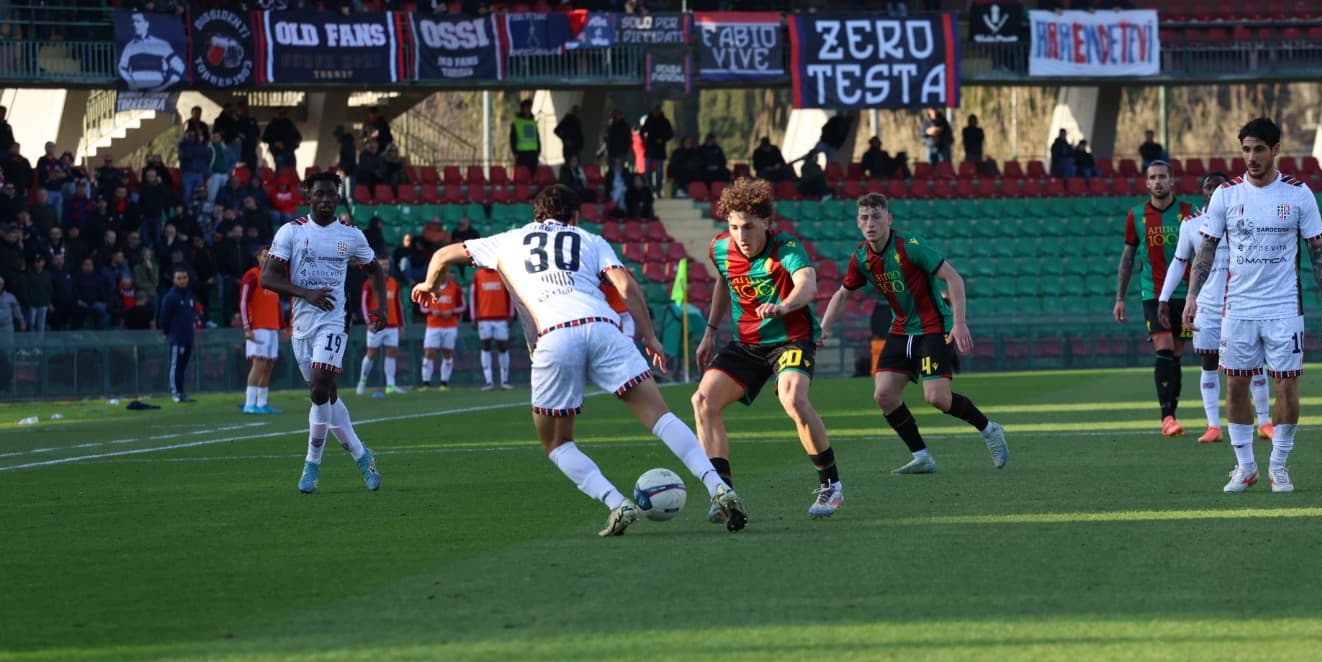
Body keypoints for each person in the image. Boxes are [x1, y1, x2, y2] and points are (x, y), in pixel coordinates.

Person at [411, 184, 746, 536]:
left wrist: (430, 286)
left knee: (556, 443)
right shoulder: (590, 239)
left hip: (555, 336)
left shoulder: (507, 240)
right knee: (661, 417)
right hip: (604, 328)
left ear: (536, 214)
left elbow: (443, 254)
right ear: (574, 216)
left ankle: (616, 502)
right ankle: (717, 485)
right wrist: (649, 337)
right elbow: (628, 288)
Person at [1185, 117, 1322, 495]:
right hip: (1237, 309)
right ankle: (1246, 467)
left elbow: (1318, 252)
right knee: (1235, 387)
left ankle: (1280, 466)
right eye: (1246, 150)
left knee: (1286, 389)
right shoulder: (1226, 195)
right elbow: (1205, 250)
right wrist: (1191, 296)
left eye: (1258, 150)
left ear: (1275, 151)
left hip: (1285, 308)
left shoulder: (1299, 194)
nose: (1251, 157)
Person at [819, 192, 1008, 475]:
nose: (870, 223)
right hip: (901, 329)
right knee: (883, 395)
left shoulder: (909, 245)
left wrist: (959, 323)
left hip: (934, 326)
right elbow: (843, 294)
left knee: (937, 398)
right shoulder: (861, 257)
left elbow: (953, 278)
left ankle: (989, 429)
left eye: (876, 217)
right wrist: (822, 329)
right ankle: (922, 457)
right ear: (858, 223)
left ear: (889, 219)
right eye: (864, 218)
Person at [692, 178, 844, 517]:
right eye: (733, 227)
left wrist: (784, 305)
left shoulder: (786, 247)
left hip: (791, 337)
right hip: (746, 344)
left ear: (765, 222)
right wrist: (710, 332)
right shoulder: (720, 248)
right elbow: (723, 281)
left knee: (793, 398)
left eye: (747, 227)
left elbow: (807, 283)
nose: (741, 236)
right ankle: (723, 493)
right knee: (702, 400)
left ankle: (831, 485)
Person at [260, 173, 388, 494]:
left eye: (332, 194)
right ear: (308, 195)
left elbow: (375, 270)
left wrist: (381, 307)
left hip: (334, 321)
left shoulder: (350, 235)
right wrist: (305, 293)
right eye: (320, 194)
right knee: (327, 396)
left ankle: (311, 465)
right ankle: (361, 455)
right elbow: (268, 277)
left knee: (319, 388)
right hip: (302, 324)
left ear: (338, 196)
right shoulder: (292, 231)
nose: (326, 200)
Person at [1157, 173, 1273, 444]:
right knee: (1209, 362)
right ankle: (1213, 426)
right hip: (1207, 306)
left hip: (1242, 303)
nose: (1214, 190)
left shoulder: (1243, 220)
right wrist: (1165, 298)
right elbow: (1179, 262)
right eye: (1209, 186)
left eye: (1219, 186)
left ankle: (1265, 421)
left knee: (1254, 364)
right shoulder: (1192, 224)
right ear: (1203, 192)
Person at [1113, 159, 1197, 436]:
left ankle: (1172, 412)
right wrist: (1120, 298)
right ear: (1147, 183)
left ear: (1172, 181)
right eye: (1153, 177)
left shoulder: (1189, 213)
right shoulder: (1136, 216)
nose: (1158, 181)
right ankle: (1167, 418)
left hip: (1184, 294)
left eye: (1162, 176)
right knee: (1163, 347)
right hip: (1153, 292)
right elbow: (1128, 257)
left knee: (1177, 353)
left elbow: (1203, 253)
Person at [238, 248, 287, 415]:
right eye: (265, 255)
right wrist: (247, 327)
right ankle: (249, 403)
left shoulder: (274, 278)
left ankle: (262, 402)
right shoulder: (252, 275)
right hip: (258, 327)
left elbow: (276, 305)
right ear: (258, 257)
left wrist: (283, 327)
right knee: (258, 364)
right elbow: (244, 302)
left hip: (272, 327)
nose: (268, 258)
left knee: (268, 365)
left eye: (271, 256)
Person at [357, 254, 406, 395]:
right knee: (371, 354)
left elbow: (398, 305)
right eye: (382, 264)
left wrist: (401, 323)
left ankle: (391, 385)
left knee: (392, 352)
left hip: (392, 324)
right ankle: (362, 381)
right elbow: (364, 304)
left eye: (387, 264)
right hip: (376, 324)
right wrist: (368, 322)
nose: (385, 266)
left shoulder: (394, 283)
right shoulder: (369, 283)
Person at [470, 260, 514, 391]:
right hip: (484, 318)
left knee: (503, 346)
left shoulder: (502, 274)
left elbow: (510, 295)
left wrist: (511, 314)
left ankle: (504, 381)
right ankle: (489, 381)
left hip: (501, 317)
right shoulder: (477, 275)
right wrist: (473, 317)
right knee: (485, 346)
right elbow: (473, 297)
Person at [157, 267, 198, 403]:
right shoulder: (170, 297)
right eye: (179, 278)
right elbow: (164, 317)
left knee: (183, 367)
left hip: (188, 337)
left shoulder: (189, 295)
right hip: (177, 338)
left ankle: (181, 392)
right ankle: (175, 393)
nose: (182, 281)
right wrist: (165, 332)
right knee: (176, 366)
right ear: (174, 280)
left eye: (184, 278)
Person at [418, 269, 464, 390]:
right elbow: (422, 307)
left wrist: (452, 311)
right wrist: (432, 311)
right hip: (433, 325)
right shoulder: (429, 288)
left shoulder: (455, 288)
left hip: (450, 325)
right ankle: (425, 382)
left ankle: (444, 382)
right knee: (429, 352)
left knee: (447, 353)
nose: (444, 275)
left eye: (445, 272)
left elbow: (463, 306)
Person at [510, 100, 540, 173]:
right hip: (521, 153)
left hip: (533, 153)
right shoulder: (516, 123)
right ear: (522, 109)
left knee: (533, 176)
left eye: (530, 108)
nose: (529, 110)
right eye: (527, 107)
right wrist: (514, 152)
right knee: (522, 175)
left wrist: (538, 150)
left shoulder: (533, 122)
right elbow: (512, 139)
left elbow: (537, 138)